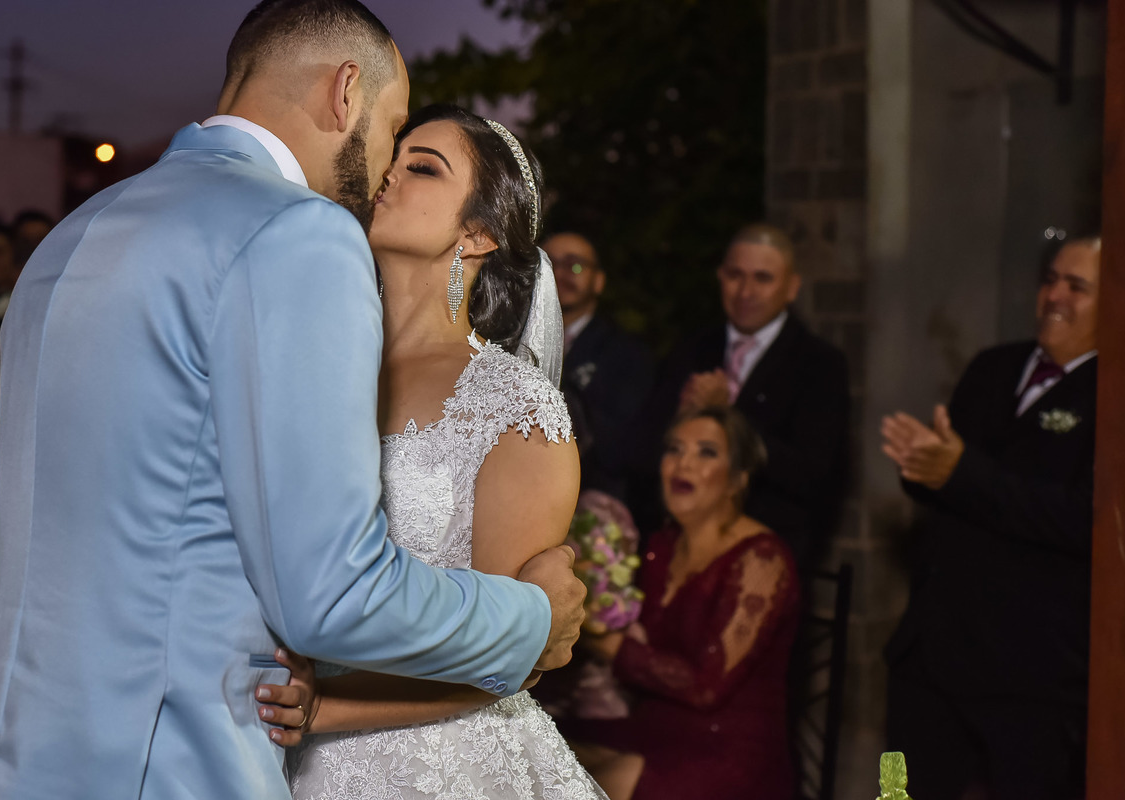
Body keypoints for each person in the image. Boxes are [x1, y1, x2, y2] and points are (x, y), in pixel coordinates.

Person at [0, 2, 585, 798]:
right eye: (393, 128)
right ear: (345, 93)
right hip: (169, 763)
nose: (385, 163)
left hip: (12, 759)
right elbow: (329, 593)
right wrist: (529, 621)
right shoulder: (296, 234)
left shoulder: (72, 235)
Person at [254, 103, 603, 799]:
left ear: (476, 233)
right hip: (264, 738)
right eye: (397, 156)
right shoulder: (313, 363)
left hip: (431, 766)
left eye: (423, 168)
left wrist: (325, 707)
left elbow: (509, 656)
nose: (388, 174)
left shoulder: (515, 408)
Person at [880, 237, 1100, 800]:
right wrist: (921, 467)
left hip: (1029, 674)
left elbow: (1083, 518)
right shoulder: (992, 367)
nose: (1054, 295)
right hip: (926, 657)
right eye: (1050, 279)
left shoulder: (1114, 396)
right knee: (895, 792)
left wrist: (959, 474)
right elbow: (951, 479)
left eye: (1077, 287)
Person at [567, 405, 799, 800]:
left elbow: (705, 686)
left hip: (727, 748)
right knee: (535, 743)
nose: (682, 463)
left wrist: (598, 637)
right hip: (654, 725)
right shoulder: (662, 546)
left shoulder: (763, 559)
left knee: (607, 780)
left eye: (706, 452)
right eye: (674, 449)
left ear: (738, 479)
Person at [644, 223, 849, 574]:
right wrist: (682, 413)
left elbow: (811, 476)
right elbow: (643, 445)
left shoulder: (819, 363)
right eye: (736, 275)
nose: (746, 291)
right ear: (720, 277)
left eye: (763, 278)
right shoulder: (692, 349)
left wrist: (727, 415)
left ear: (791, 287)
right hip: (682, 540)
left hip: (769, 547)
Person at [546, 231, 653, 503]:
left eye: (575, 265)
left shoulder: (627, 355)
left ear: (598, 281)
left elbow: (628, 448)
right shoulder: (506, 345)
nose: (560, 274)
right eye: (548, 264)